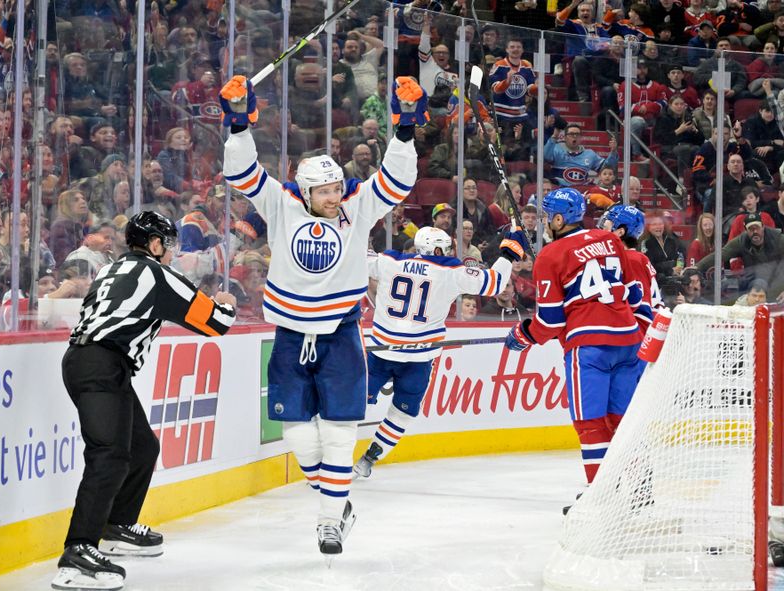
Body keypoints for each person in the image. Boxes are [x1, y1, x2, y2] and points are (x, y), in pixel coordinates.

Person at [220, 74, 422, 557]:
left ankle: (329, 521)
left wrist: (406, 129)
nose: (334, 197)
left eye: (337, 189)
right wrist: (237, 125)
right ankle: (336, 502)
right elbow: (242, 174)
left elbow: (397, 181)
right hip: (289, 335)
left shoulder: (357, 206)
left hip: (341, 336)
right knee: (297, 436)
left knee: (336, 435)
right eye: (325, 192)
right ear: (307, 192)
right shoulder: (283, 203)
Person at [52, 211, 236, 591]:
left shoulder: (111, 270)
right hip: (102, 365)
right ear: (154, 245)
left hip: (86, 362)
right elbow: (215, 323)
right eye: (167, 245)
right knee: (109, 455)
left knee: (141, 447)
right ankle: (79, 548)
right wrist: (227, 303)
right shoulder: (158, 274)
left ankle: (117, 525)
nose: (169, 253)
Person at [503, 188, 652, 505]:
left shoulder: (550, 255)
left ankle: (600, 495)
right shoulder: (609, 240)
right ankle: (640, 486)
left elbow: (551, 322)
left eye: (546, 216)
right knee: (620, 420)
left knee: (590, 423)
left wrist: (523, 335)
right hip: (629, 341)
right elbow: (632, 292)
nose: (543, 221)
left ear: (559, 218)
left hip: (589, 347)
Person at [353, 226, 525, 478]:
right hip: (420, 357)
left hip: (383, 351)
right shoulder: (451, 272)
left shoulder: (389, 261)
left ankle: (330, 454)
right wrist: (509, 253)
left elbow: (356, 260)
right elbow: (495, 282)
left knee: (353, 403)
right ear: (436, 249)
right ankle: (369, 459)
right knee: (402, 413)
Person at [600, 205, 665, 327]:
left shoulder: (631, 260)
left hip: (640, 334)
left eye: (605, 227)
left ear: (620, 232)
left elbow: (642, 312)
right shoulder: (628, 257)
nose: (601, 230)